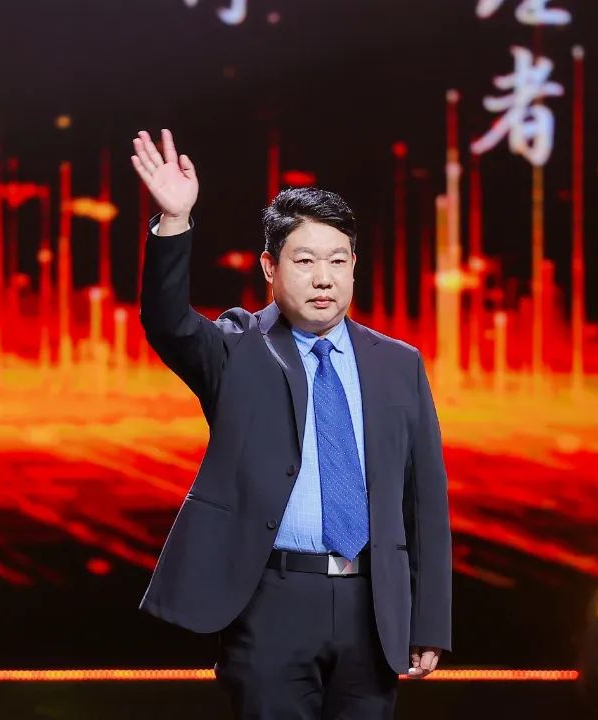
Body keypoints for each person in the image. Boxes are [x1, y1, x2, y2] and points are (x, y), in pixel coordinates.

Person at [132, 128, 451, 719]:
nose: (323, 278)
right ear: (270, 267)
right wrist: (174, 221)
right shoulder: (237, 348)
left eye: (337, 261)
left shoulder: (397, 364)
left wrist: (428, 620)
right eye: (304, 261)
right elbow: (168, 322)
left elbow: (424, 500)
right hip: (272, 603)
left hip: (372, 607)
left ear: (354, 266)